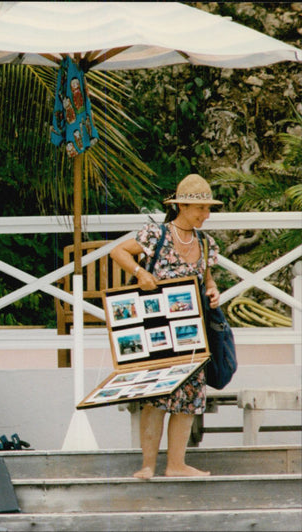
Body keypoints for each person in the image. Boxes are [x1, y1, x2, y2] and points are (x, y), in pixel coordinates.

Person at [110, 173, 222, 479]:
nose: (206, 215)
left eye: (208, 209)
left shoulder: (205, 242)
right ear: (183, 207)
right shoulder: (155, 235)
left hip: (190, 331)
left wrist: (212, 290)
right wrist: (140, 273)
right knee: (155, 396)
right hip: (156, 328)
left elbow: (207, 279)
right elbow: (117, 251)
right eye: (201, 209)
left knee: (187, 398)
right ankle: (147, 465)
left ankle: (176, 464)